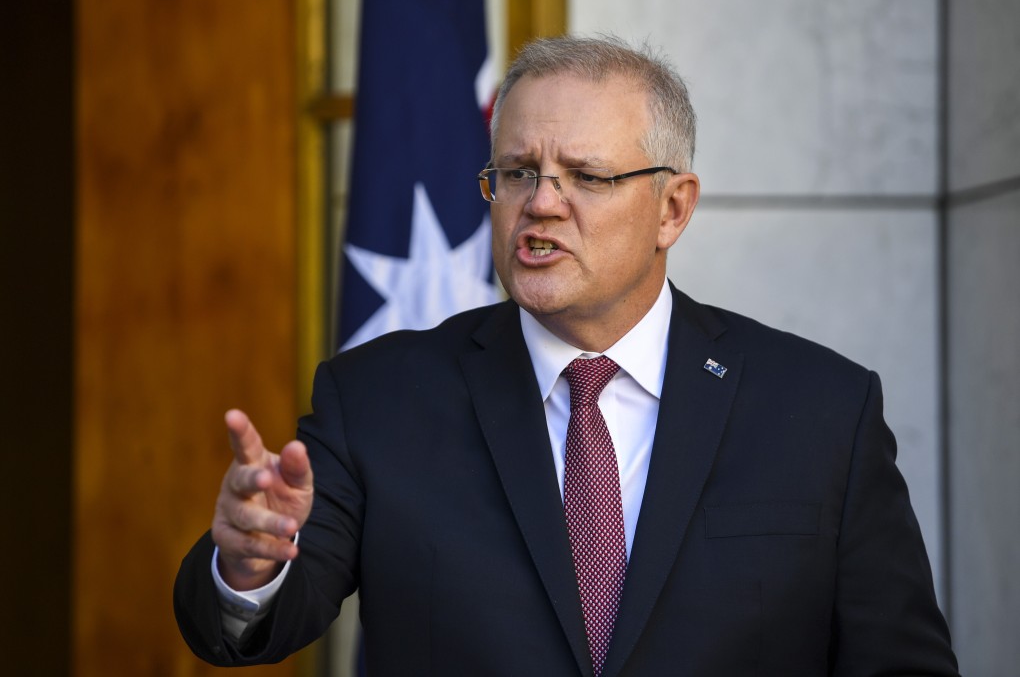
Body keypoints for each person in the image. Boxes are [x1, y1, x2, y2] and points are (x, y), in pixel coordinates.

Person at [174, 35, 959, 676]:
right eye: (518, 173)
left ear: (672, 208)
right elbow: (267, 618)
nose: (541, 203)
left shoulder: (821, 411)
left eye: (585, 175)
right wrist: (249, 566)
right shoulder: (379, 397)